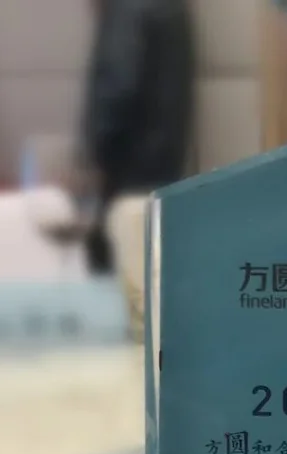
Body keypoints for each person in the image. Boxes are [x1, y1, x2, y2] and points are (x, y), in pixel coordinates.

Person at [78, 0, 196, 275]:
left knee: (117, 276)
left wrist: (92, 160)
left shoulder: (128, 11)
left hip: (126, 174)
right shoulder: (173, 9)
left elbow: (117, 90)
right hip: (162, 170)